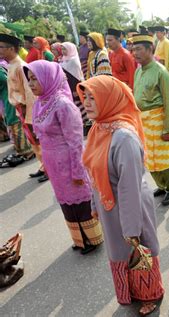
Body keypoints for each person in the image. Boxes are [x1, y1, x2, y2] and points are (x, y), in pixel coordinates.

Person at [79, 75, 164, 315]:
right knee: (119, 252)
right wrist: (95, 203)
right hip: (110, 207)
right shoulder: (100, 128)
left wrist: (131, 229)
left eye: (93, 97)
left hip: (129, 207)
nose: (86, 102)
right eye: (85, 97)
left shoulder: (123, 138)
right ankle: (131, 291)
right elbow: (93, 170)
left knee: (139, 247)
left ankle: (150, 293)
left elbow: (130, 189)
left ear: (109, 99)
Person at [24, 60, 103, 253]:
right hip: (53, 162)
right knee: (65, 200)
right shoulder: (39, 103)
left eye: (35, 79)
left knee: (80, 199)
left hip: (69, 161)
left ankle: (92, 239)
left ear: (48, 78)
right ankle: (79, 239)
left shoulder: (63, 105)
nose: (31, 84)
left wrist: (77, 171)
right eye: (29, 79)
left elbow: (76, 142)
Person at [132, 33, 169, 206]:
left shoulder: (161, 72)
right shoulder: (138, 71)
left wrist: (168, 128)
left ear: (150, 49)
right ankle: (162, 185)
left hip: (158, 120)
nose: (134, 53)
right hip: (142, 122)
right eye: (133, 50)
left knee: (163, 157)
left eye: (138, 49)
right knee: (148, 157)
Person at [0, 33, 47, 181]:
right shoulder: (12, 65)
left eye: (1, 47)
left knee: (38, 141)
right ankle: (43, 166)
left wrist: (30, 115)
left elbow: (30, 92)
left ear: (12, 49)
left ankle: (48, 168)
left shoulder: (21, 66)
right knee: (34, 142)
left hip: (27, 109)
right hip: (20, 108)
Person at [0, 59, 33, 163]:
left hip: (11, 97)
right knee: (12, 120)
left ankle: (26, 150)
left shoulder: (18, 65)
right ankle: (23, 149)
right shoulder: (9, 66)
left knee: (14, 121)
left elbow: (5, 81)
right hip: (8, 97)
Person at [60, 42, 91, 134]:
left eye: (65, 49)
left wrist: (75, 89)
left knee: (80, 106)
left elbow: (77, 76)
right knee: (75, 107)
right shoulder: (64, 60)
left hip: (75, 87)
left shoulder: (73, 60)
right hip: (68, 87)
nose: (63, 51)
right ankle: (80, 125)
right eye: (62, 49)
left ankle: (86, 125)